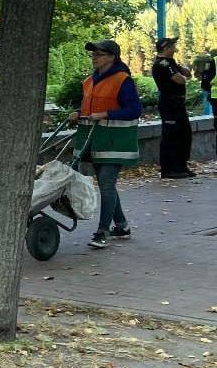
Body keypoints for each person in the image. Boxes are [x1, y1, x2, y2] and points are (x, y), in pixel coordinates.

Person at [68, 40, 142, 250]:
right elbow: (90, 105)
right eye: (93, 54)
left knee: (106, 183)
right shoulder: (89, 81)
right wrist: (77, 113)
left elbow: (134, 110)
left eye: (99, 54)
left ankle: (103, 231)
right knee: (104, 183)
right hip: (95, 140)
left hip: (116, 141)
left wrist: (106, 114)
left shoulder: (122, 80)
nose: (94, 57)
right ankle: (122, 226)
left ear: (112, 57)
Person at [151, 37, 195, 179]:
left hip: (178, 104)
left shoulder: (171, 63)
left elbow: (187, 73)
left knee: (184, 134)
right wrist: (182, 74)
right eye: (172, 45)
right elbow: (180, 79)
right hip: (169, 104)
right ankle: (169, 169)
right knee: (171, 136)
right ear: (166, 48)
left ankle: (181, 166)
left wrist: (181, 69)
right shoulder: (162, 64)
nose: (175, 46)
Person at [198, 50, 214, 116]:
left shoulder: (208, 62)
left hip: (205, 85)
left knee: (206, 102)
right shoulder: (211, 62)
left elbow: (205, 72)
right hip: (210, 86)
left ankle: (207, 116)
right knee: (211, 102)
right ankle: (210, 115)